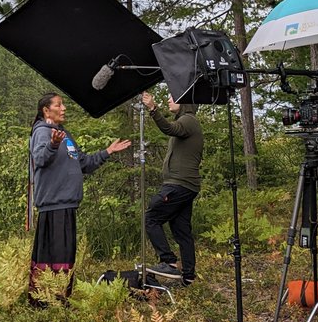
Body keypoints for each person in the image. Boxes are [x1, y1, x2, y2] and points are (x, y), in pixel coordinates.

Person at [28, 92, 131, 305]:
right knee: (55, 255)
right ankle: (46, 301)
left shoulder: (64, 134)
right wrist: (53, 145)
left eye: (63, 104)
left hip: (67, 203)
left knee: (65, 254)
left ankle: (59, 298)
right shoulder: (42, 132)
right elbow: (39, 158)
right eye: (58, 105)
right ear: (46, 110)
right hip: (54, 203)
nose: (64, 108)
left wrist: (107, 152)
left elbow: (84, 163)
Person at [139, 90, 203, 286]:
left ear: (183, 102)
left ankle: (169, 262)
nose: (169, 99)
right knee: (181, 230)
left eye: (173, 97)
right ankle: (188, 276)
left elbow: (168, 128)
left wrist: (152, 108)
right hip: (185, 185)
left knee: (151, 217)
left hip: (178, 185)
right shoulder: (187, 122)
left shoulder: (188, 120)